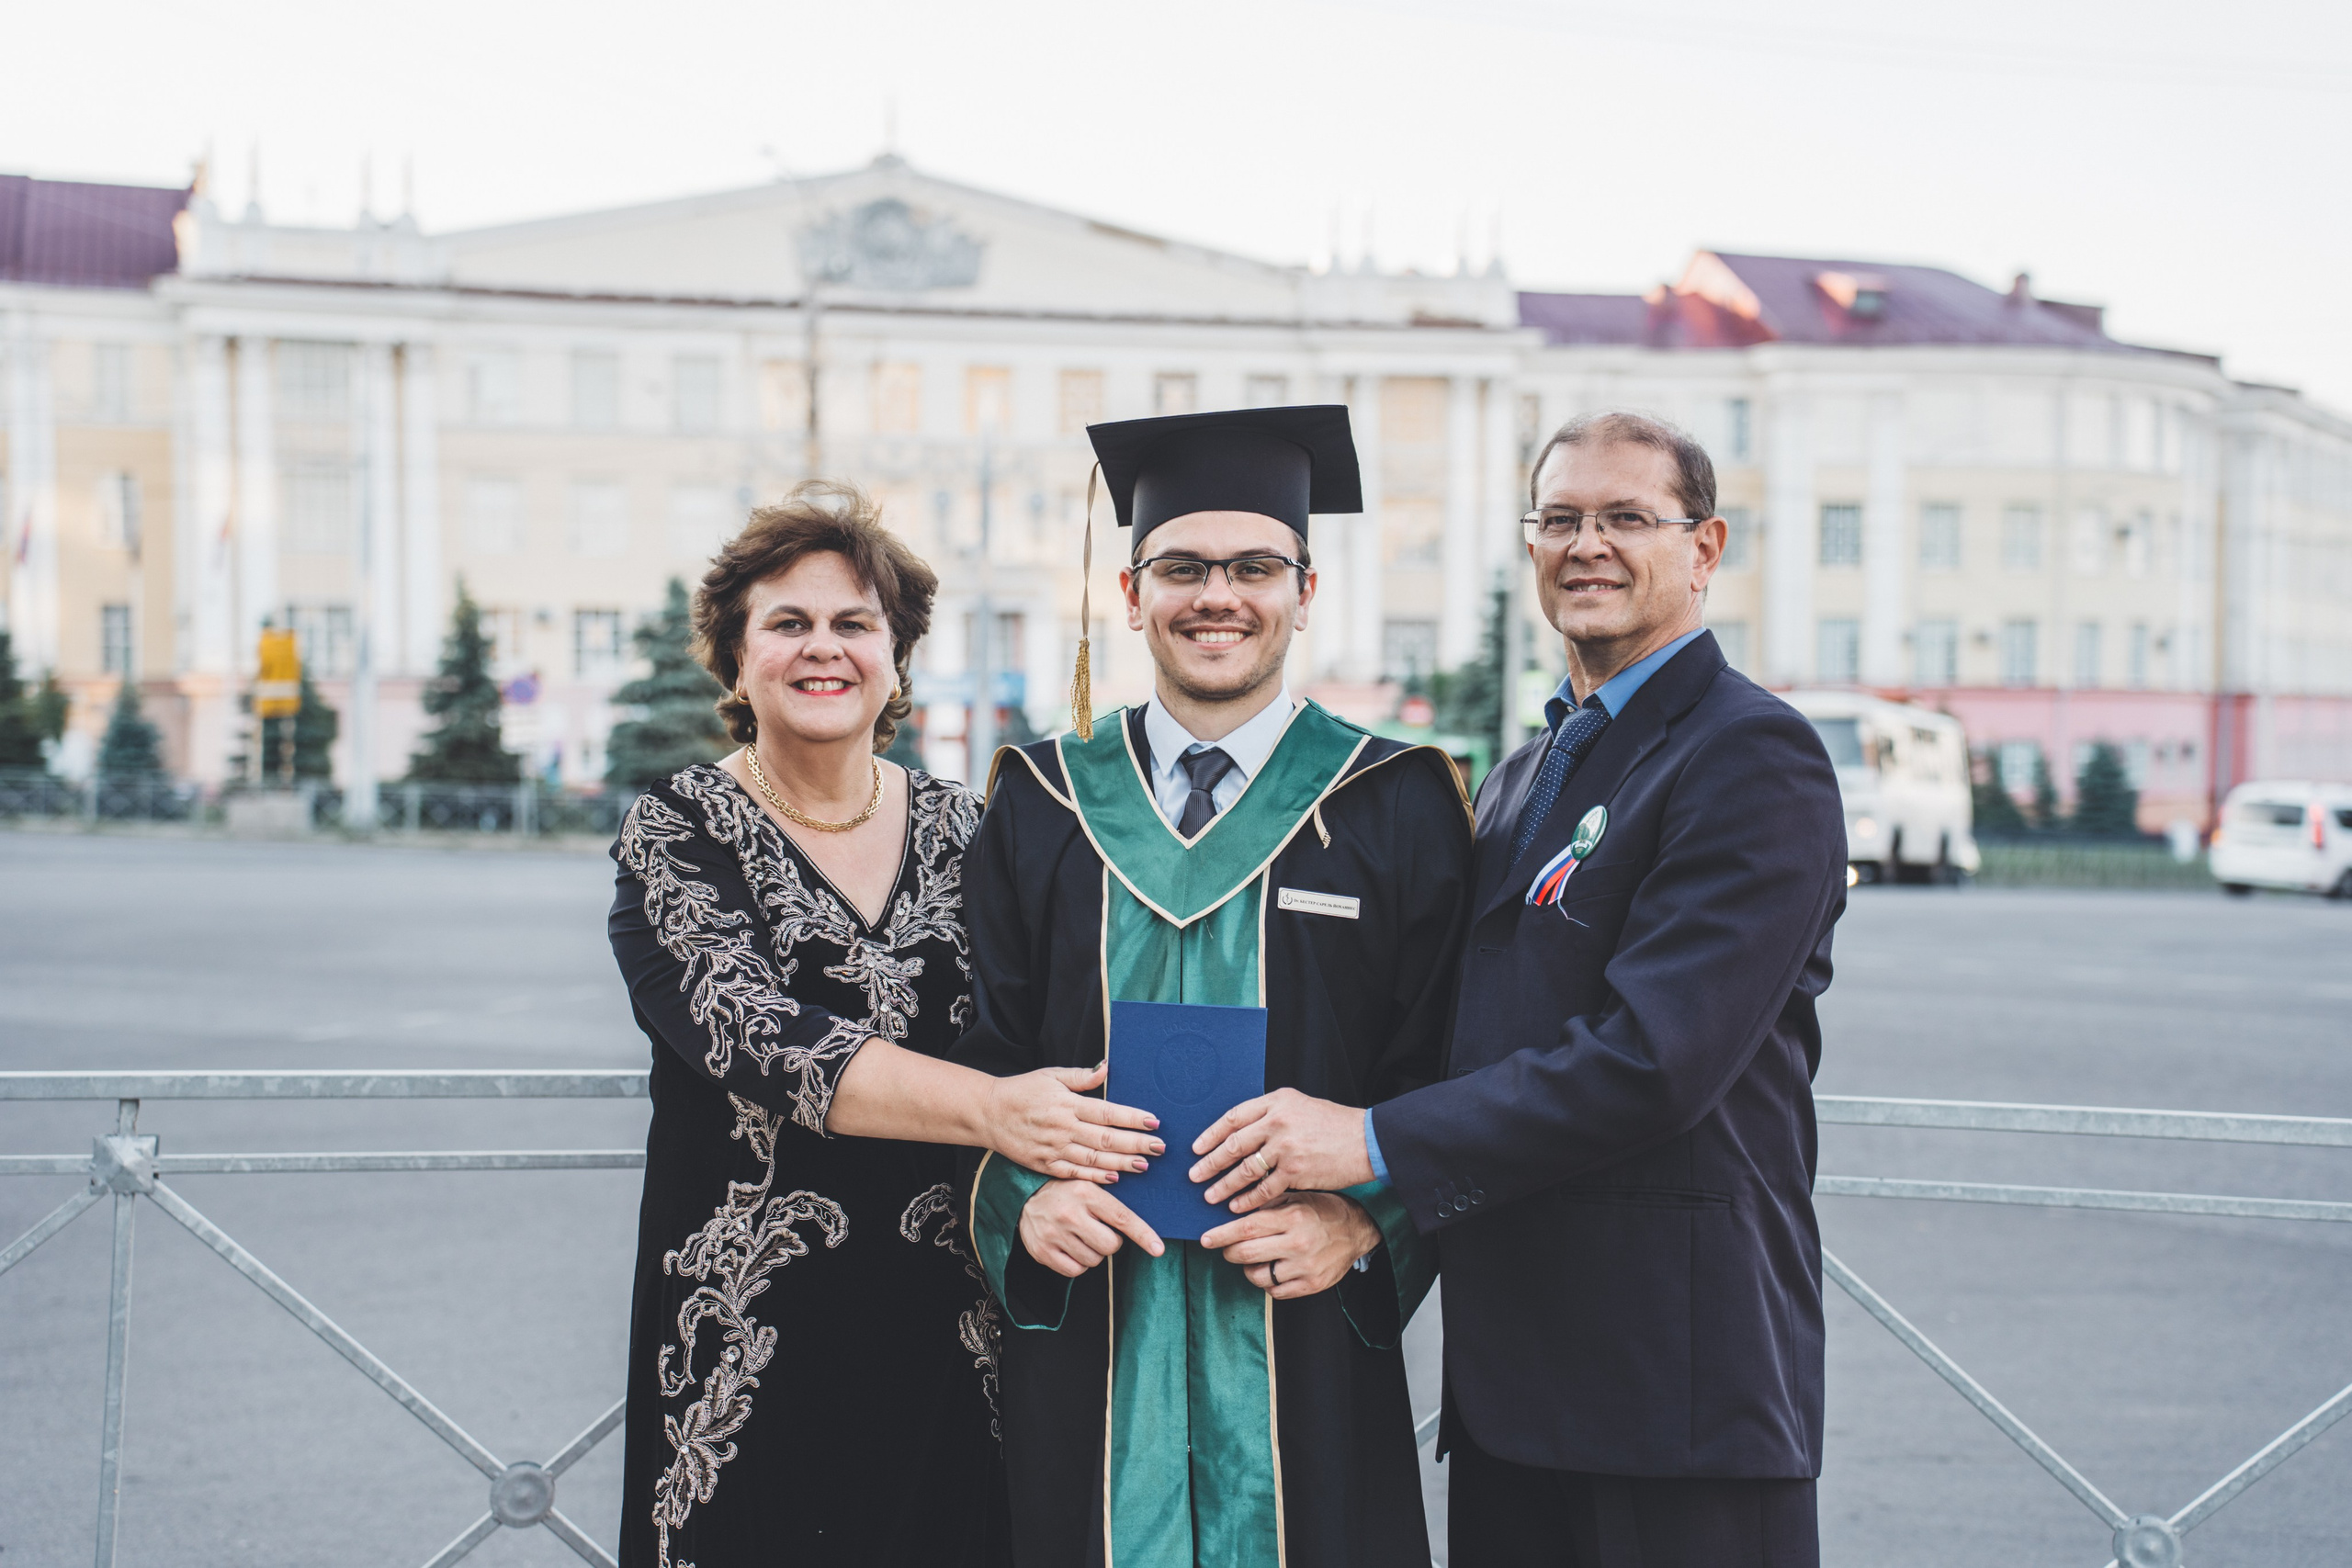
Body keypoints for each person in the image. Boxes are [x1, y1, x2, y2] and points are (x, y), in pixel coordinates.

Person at [1189, 412, 1848, 1567]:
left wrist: (1368, 1141)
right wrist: (1362, 1215)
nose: (1587, 544)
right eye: (1561, 520)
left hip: (1675, 1393)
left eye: (1627, 518)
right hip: (1513, 1396)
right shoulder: (1520, 774)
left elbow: (1655, 1060)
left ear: (1705, 548)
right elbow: (1464, 1039)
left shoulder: (1750, 755)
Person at [948, 405, 1476, 1568]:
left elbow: (1447, 1073)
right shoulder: (1040, 798)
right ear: (1132, 594)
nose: (1217, 597)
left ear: (1306, 585)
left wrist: (1364, 1223)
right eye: (1181, 568)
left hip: (1301, 1335)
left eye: (1253, 567)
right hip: (1094, 1320)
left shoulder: (1395, 802)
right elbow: (981, 1059)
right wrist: (1017, 1201)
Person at [606, 481, 1162, 1567]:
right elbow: (757, 1036)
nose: (826, 649)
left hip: (953, 1324)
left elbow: (1056, 1025)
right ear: (734, 656)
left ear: (897, 657)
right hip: (746, 1336)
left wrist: (1055, 1161)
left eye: (855, 624)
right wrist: (1002, 1115)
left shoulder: (974, 830)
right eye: (789, 623)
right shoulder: (679, 829)